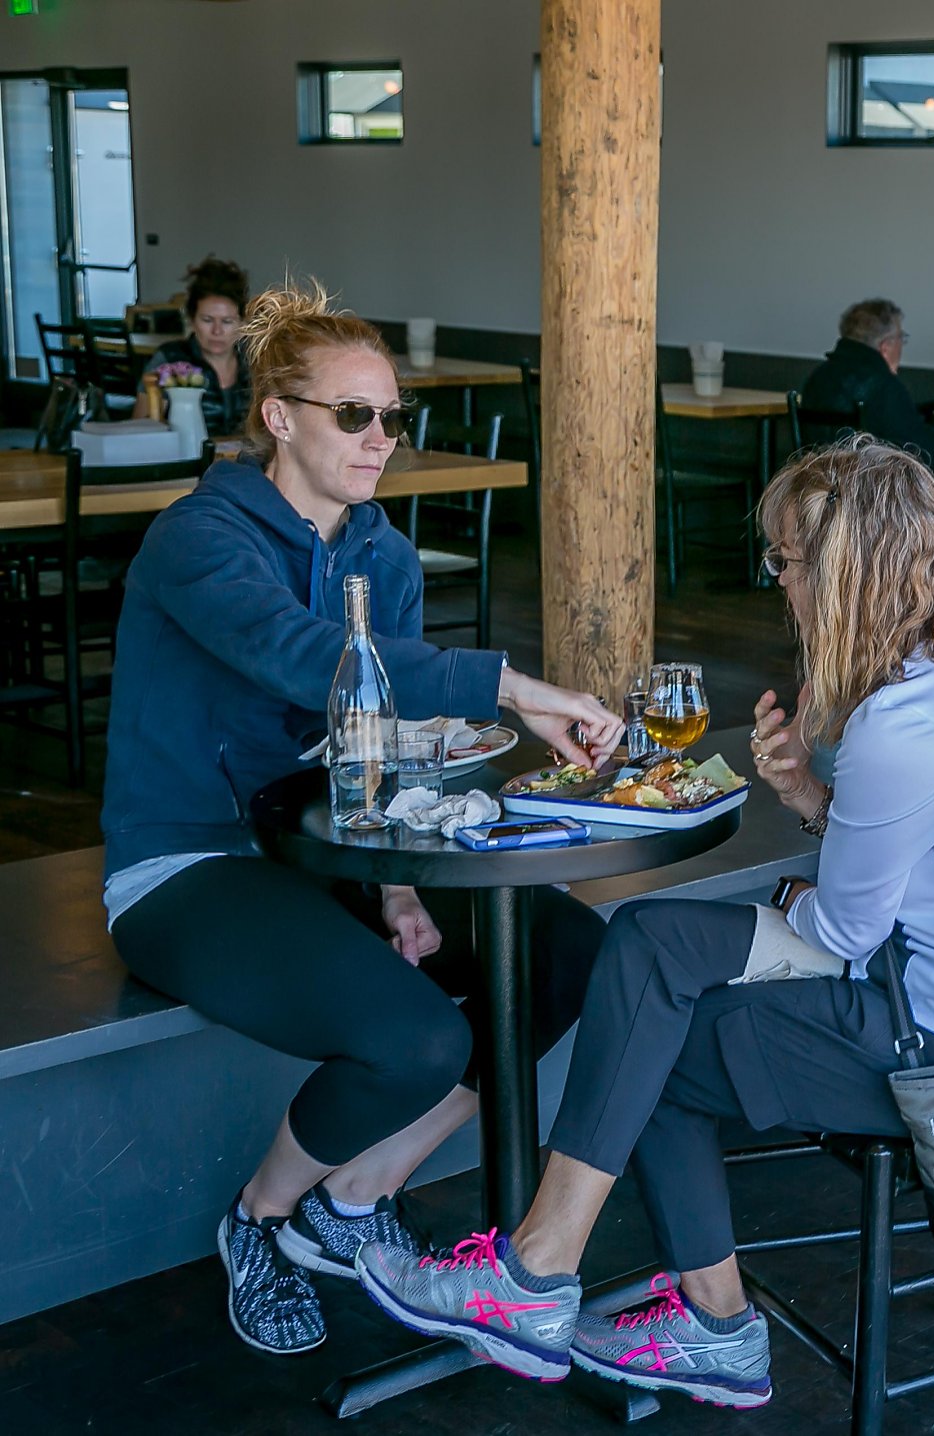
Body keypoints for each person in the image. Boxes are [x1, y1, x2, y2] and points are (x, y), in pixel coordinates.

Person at [355, 437, 934, 1410]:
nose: (779, 582)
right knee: (644, 964)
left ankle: (584, 1288)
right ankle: (582, 1284)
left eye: (785, 559)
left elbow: (842, 936)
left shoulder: (904, 724)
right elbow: (915, 880)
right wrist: (814, 797)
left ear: (844, 569)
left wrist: (790, 886)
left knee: (645, 1027)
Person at [101, 280, 623, 1357]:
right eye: (354, 414)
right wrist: (519, 689)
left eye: (392, 416)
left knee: (572, 950)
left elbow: (367, 743)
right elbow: (315, 662)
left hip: (327, 847)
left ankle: (357, 1194)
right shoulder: (201, 538)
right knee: (419, 1036)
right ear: (280, 418)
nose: (380, 437)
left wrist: (397, 885)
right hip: (189, 861)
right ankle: (261, 1217)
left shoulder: (378, 553)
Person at [798, 298, 934, 463]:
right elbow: (929, 453)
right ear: (885, 346)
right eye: (901, 338)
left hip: (819, 486)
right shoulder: (883, 385)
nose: (901, 345)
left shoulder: (818, 377)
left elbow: (891, 418)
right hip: (868, 491)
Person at [138, 255, 253, 436]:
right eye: (207, 320)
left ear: (242, 322)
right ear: (192, 320)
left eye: (227, 321)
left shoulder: (255, 361)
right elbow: (142, 430)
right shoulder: (170, 359)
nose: (217, 331)